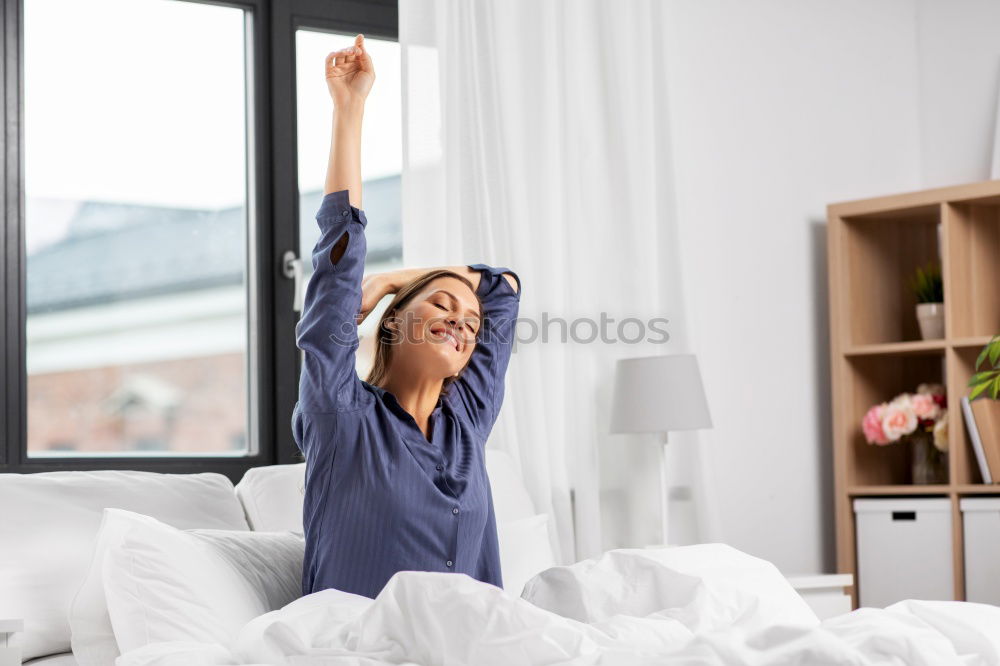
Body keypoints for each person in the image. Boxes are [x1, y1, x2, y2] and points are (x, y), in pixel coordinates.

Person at [292, 34, 521, 600]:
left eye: (471, 322)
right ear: (392, 323)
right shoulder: (341, 416)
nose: (465, 323)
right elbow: (337, 263)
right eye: (441, 306)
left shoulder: (467, 417)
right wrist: (350, 109)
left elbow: (504, 289)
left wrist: (401, 279)